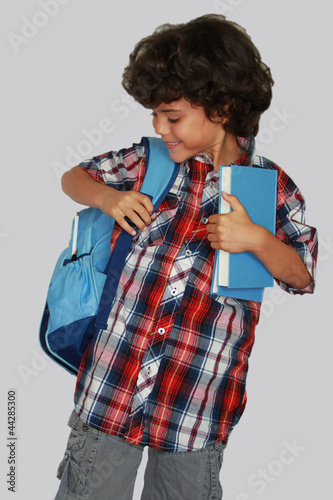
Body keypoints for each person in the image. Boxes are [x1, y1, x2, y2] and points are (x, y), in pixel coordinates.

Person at [54, 14, 318, 500]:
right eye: (155, 115)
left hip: (199, 399)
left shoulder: (272, 186)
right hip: (114, 384)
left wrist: (257, 240)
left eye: (171, 116)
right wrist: (108, 199)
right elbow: (73, 177)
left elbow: (302, 276)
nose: (159, 126)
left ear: (221, 108)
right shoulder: (149, 161)